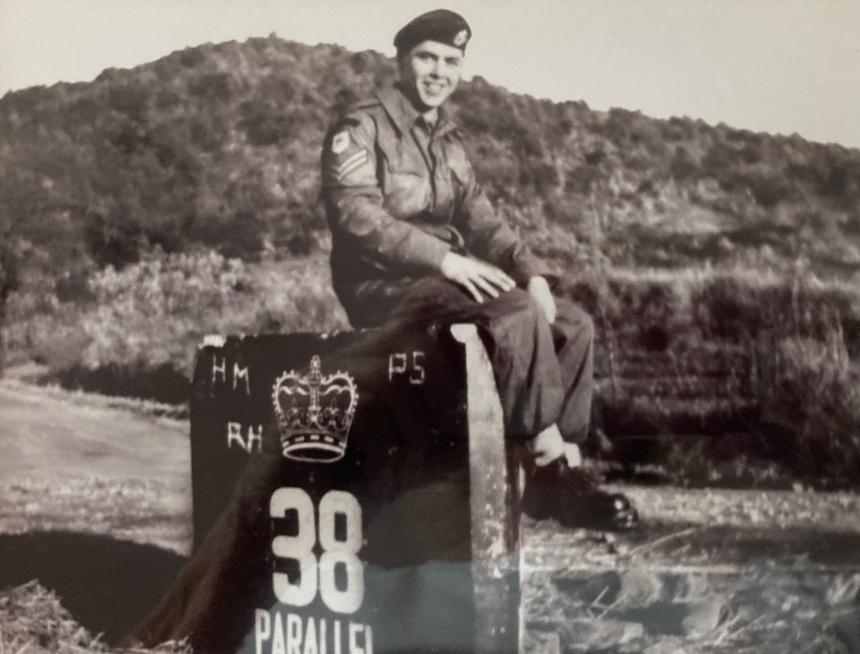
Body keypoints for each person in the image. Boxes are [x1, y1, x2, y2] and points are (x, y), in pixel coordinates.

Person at [321, 9, 638, 530]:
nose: (438, 71)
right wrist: (447, 260)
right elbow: (356, 218)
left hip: (442, 280)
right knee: (515, 315)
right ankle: (550, 467)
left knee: (570, 321)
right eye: (426, 57)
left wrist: (529, 271)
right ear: (401, 61)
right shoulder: (361, 127)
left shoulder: (446, 139)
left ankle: (559, 465)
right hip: (381, 285)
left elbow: (483, 220)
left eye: (451, 61)